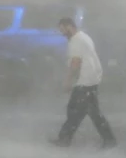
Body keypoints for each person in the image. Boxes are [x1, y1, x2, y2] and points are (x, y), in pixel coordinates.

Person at [49, 17, 117, 149]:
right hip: (90, 80)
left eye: (63, 30)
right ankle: (109, 140)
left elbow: (75, 63)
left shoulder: (76, 41)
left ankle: (64, 140)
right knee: (87, 112)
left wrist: (68, 81)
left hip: (84, 82)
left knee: (77, 111)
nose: (62, 33)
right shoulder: (84, 37)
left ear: (69, 26)